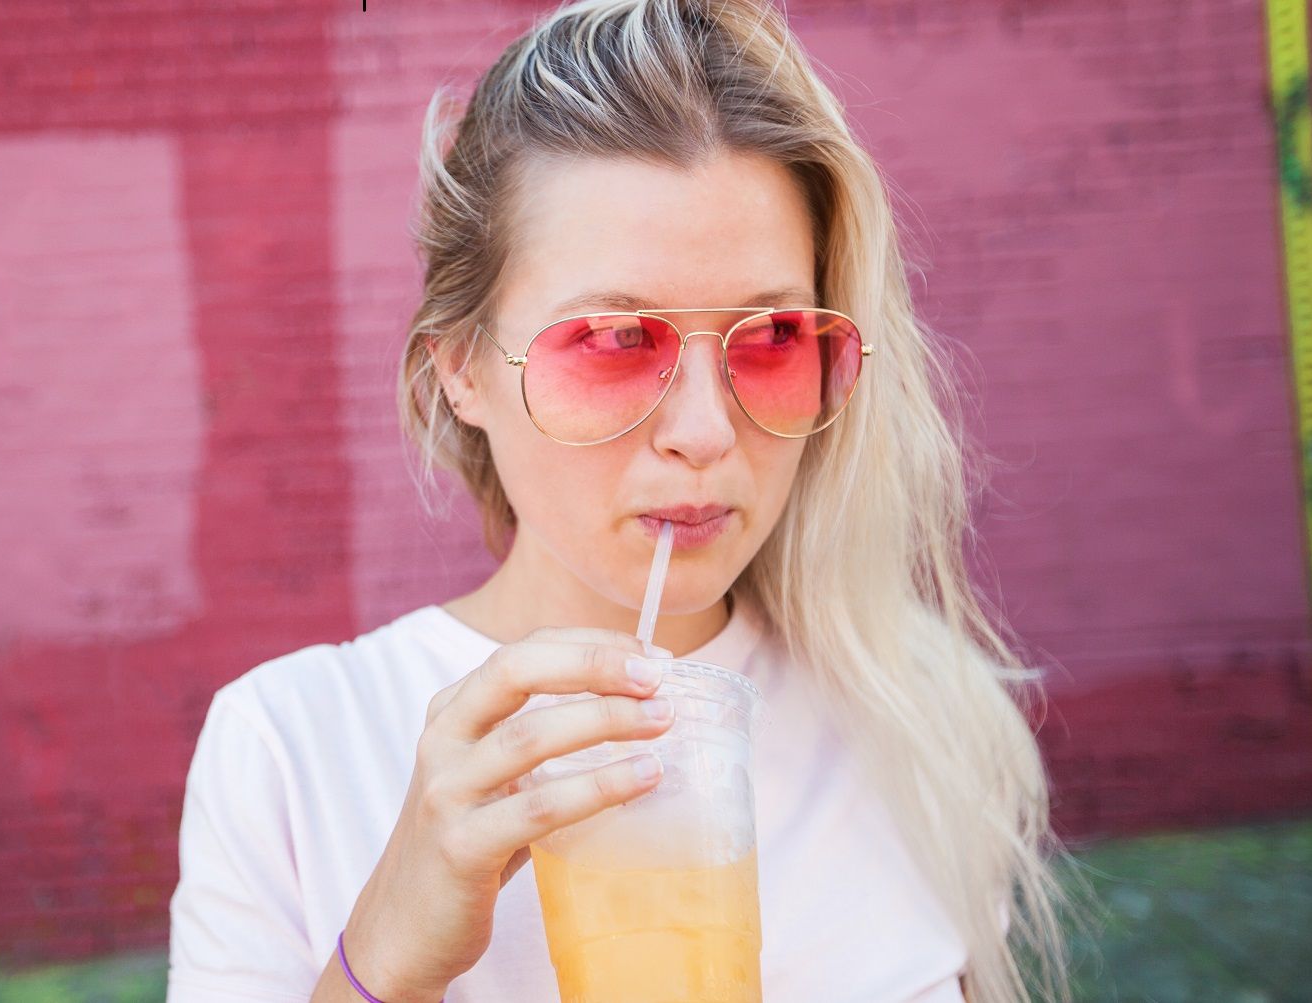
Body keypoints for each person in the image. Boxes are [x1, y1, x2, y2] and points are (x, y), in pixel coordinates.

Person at [166, 0, 1077, 1000]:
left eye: (771, 337)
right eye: (613, 340)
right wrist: (381, 956)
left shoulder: (918, 711)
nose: (705, 430)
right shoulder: (293, 749)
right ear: (464, 366)